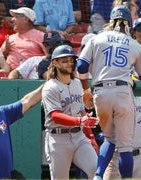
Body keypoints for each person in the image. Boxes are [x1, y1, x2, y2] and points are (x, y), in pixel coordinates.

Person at [77, 5, 141, 179]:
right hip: (123, 92)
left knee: (109, 138)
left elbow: (81, 66)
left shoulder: (96, 38)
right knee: (124, 146)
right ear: (129, 23)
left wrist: (86, 89)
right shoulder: (135, 45)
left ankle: (98, 176)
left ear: (111, 20)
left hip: (100, 91)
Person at [42, 44, 99, 179]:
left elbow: (81, 111)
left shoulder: (77, 84)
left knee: (96, 170)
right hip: (58, 138)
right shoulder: (50, 87)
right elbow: (55, 116)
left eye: (71, 60)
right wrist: (80, 121)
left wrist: (90, 137)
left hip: (79, 137)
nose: (69, 64)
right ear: (55, 62)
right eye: (65, 60)